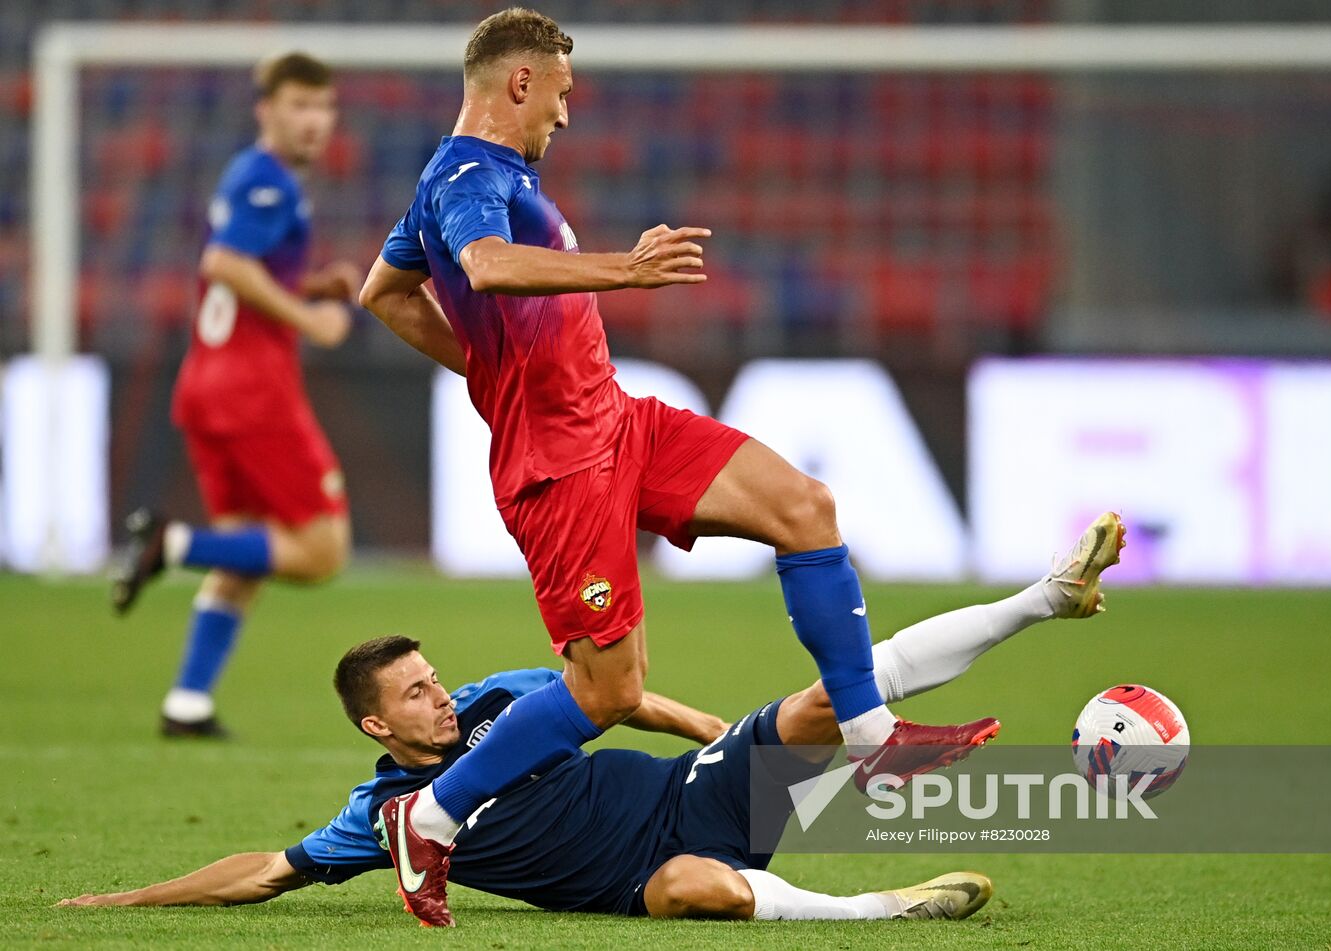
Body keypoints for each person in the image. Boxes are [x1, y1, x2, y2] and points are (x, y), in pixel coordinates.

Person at [357, 8, 1025, 923]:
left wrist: (490, 365)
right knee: (609, 692)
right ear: (519, 83)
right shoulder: (469, 174)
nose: (565, 111)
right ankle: (430, 816)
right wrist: (621, 275)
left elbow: (382, 291)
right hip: (560, 461)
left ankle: (871, 739)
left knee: (804, 506)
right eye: (559, 91)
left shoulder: (475, 176)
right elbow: (484, 265)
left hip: (620, 421)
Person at [60, 513, 1125, 925]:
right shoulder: (378, 811)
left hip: (690, 790)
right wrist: (128, 898)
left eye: (432, 676)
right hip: (638, 877)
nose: (441, 692)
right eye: (416, 693)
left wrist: (733, 739)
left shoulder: (503, 700)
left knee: (819, 702)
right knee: (687, 892)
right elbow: (267, 868)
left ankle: (1044, 596)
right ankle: (884, 910)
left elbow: (631, 699)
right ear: (377, 728)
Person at [109, 53, 362, 739]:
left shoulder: (254, 178)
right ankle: (171, 540)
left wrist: (310, 285)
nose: (314, 121)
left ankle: (186, 702)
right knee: (320, 550)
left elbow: (240, 272)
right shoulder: (268, 182)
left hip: (208, 388)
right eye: (299, 106)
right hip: (254, 394)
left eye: (323, 107)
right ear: (266, 109)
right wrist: (311, 318)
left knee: (251, 546)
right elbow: (222, 262)